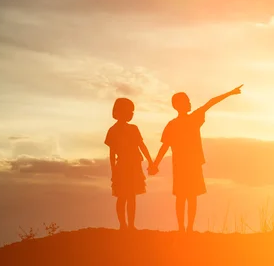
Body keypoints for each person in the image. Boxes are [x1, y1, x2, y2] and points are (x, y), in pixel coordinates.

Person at [151, 85, 243, 232]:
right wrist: (155, 164)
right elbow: (164, 147)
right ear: (178, 105)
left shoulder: (179, 122)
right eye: (186, 101)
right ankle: (185, 228)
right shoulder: (182, 121)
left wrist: (155, 164)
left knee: (186, 197)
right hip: (186, 164)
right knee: (187, 197)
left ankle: (186, 228)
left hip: (187, 164)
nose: (189, 103)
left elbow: (211, 103)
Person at [104, 98, 155, 231]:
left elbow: (141, 146)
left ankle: (130, 225)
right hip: (122, 167)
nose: (131, 114)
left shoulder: (133, 129)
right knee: (122, 197)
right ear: (120, 111)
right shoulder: (113, 130)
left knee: (131, 196)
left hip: (134, 166)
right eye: (129, 111)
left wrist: (150, 161)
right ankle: (123, 225)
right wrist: (113, 170)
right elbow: (112, 153)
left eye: (132, 111)